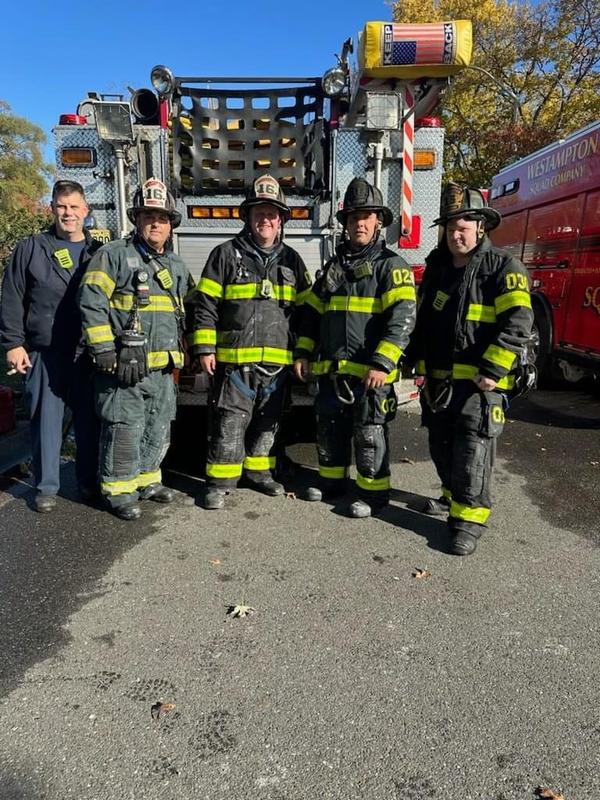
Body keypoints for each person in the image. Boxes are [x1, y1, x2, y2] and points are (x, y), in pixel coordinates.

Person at [406, 183, 533, 555]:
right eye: (450, 227)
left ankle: (469, 521)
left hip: (480, 382)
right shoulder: (438, 267)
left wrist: (494, 367)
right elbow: (424, 321)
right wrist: (414, 360)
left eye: (463, 226)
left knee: (471, 449)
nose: (455, 234)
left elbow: (519, 322)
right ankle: (451, 498)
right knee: (439, 443)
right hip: (439, 381)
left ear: (481, 227)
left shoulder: (504, 268)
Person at [293, 177, 417, 518]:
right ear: (345, 224)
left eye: (366, 216)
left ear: (378, 222)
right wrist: (304, 352)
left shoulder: (392, 267)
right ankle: (333, 484)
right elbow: (311, 316)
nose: (359, 223)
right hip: (333, 372)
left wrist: (383, 361)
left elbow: (403, 318)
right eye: (352, 217)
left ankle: (373, 494)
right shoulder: (335, 268)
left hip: (370, 374)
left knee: (369, 433)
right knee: (330, 428)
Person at [187, 174, 311, 510]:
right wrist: (205, 348)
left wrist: (302, 353)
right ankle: (219, 483)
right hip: (235, 365)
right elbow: (206, 305)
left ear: (281, 219)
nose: (265, 219)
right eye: (258, 213)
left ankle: (259, 474)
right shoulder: (224, 255)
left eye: (272, 214)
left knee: (267, 424)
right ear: (247, 216)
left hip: (277, 366)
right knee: (229, 422)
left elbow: (306, 313)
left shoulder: (293, 262)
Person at [78, 178, 193, 521]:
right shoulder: (112, 255)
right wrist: (104, 351)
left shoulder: (176, 266)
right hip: (124, 369)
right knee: (125, 427)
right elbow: (90, 300)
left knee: (157, 426)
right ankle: (118, 490)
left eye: (162, 217)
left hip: (161, 370)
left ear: (171, 224)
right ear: (136, 219)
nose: (155, 223)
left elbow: (190, 310)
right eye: (148, 216)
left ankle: (148, 481)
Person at [0, 180, 101, 512]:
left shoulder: (99, 253)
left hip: (88, 353)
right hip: (46, 352)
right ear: (52, 209)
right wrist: (14, 344)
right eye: (61, 206)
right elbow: (12, 297)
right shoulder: (32, 248)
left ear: (86, 211)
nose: (67, 213)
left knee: (90, 422)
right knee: (46, 420)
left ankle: (88, 481)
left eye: (74, 207)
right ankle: (46, 486)